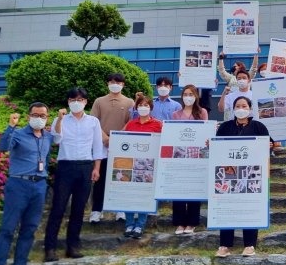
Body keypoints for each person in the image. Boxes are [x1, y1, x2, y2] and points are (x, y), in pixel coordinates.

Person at [0, 103, 57, 265]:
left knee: (30, 227)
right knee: (8, 227)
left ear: (47, 117)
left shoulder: (47, 137)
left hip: (39, 185)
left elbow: (57, 141)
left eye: (43, 115)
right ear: (29, 116)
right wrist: (11, 126)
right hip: (18, 184)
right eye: (35, 115)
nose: (39, 118)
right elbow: (3, 147)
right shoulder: (18, 134)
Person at [44, 87, 103, 262]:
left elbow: (98, 146)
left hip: (85, 166)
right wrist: (60, 120)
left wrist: (96, 168)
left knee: (78, 209)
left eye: (79, 99)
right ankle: (50, 248)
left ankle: (73, 246)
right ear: (68, 102)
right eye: (72, 100)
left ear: (85, 102)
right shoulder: (60, 119)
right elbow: (56, 139)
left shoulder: (93, 121)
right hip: (65, 166)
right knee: (58, 208)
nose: (76, 103)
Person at [214, 96, 271, 258]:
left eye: (244, 105)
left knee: (250, 207)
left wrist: (269, 145)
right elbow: (218, 147)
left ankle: (250, 244)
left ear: (250, 108)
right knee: (227, 208)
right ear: (233, 109)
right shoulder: (225, 127)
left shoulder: (259, 127)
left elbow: (269, 146)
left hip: (251, 175)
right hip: (228, 174)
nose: (241, 108)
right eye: (237, 106)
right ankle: (224, 245)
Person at [89, 73, 135, 223]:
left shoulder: (129, 102)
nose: (114, 84)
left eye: (118, 82)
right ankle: (96, 210)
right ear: (107, 83)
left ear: (123, 85)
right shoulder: (99, 101)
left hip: (121, 144)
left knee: (121, 176)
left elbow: (130, 123)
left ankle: (120, 209)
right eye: (111, 82)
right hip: (101, 143)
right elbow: (94, 121)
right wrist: (105, 138)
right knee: (100, 178)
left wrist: (117, 137)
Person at [121, 95, 163, 239]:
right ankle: (129, 223)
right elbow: (123, 142)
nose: (143, 107)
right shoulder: (131, 124)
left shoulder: (158, 125)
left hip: (149, 165)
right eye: (140, 105)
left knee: (145, 194)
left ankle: (140, 225)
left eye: (146, 105)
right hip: (131, 164)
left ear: (151, 108)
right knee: (129, 193)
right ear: (136, 107)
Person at [172, 85, 208, 234]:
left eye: (191, 94)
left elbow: (205, 132)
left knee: (194, 188)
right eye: (185, 94)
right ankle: (180, 222)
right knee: (179, 189)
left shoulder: (202, 112)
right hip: (180, 155)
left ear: (196, 96)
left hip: (196, 155)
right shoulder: (175, 114)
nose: (188, 97)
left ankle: (192, 222)